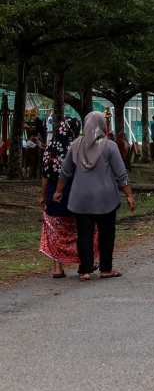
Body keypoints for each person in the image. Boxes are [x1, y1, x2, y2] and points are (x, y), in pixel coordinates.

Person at [53, 111, 136, 280]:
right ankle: (106, 269)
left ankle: (85, 271)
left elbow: (65, 172)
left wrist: (58, 191)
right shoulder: (110, 146)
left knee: (84, 234)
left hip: (81, 199)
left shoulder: (76, 145)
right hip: (106, 199)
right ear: (101, 125)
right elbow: (121, 174)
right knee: (106, 233)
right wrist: (129, 195)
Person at [37, 117, 97, 278]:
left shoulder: (50, 148)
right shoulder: (79, 147)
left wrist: (43, 195)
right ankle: (83, 263)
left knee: (55, 229)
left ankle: (58, 268)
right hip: (77, 193)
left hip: (54, 192)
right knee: (80, 229)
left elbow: (45, 175)